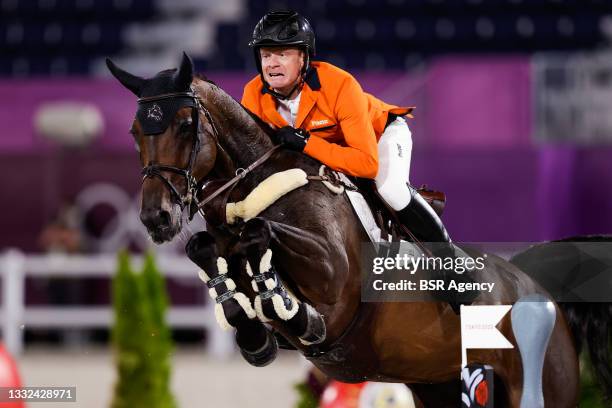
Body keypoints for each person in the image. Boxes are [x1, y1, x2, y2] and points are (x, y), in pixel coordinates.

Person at [241, 11, 458, 258]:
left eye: (282, 54)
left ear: (303, 58)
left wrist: (306, 143)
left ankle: (449, 261)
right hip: (331, 151)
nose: (272, 64)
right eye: (266, 55)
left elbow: (366, 164)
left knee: (391, 190)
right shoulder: (252, 94)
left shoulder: (339, 84)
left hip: (380, 136)